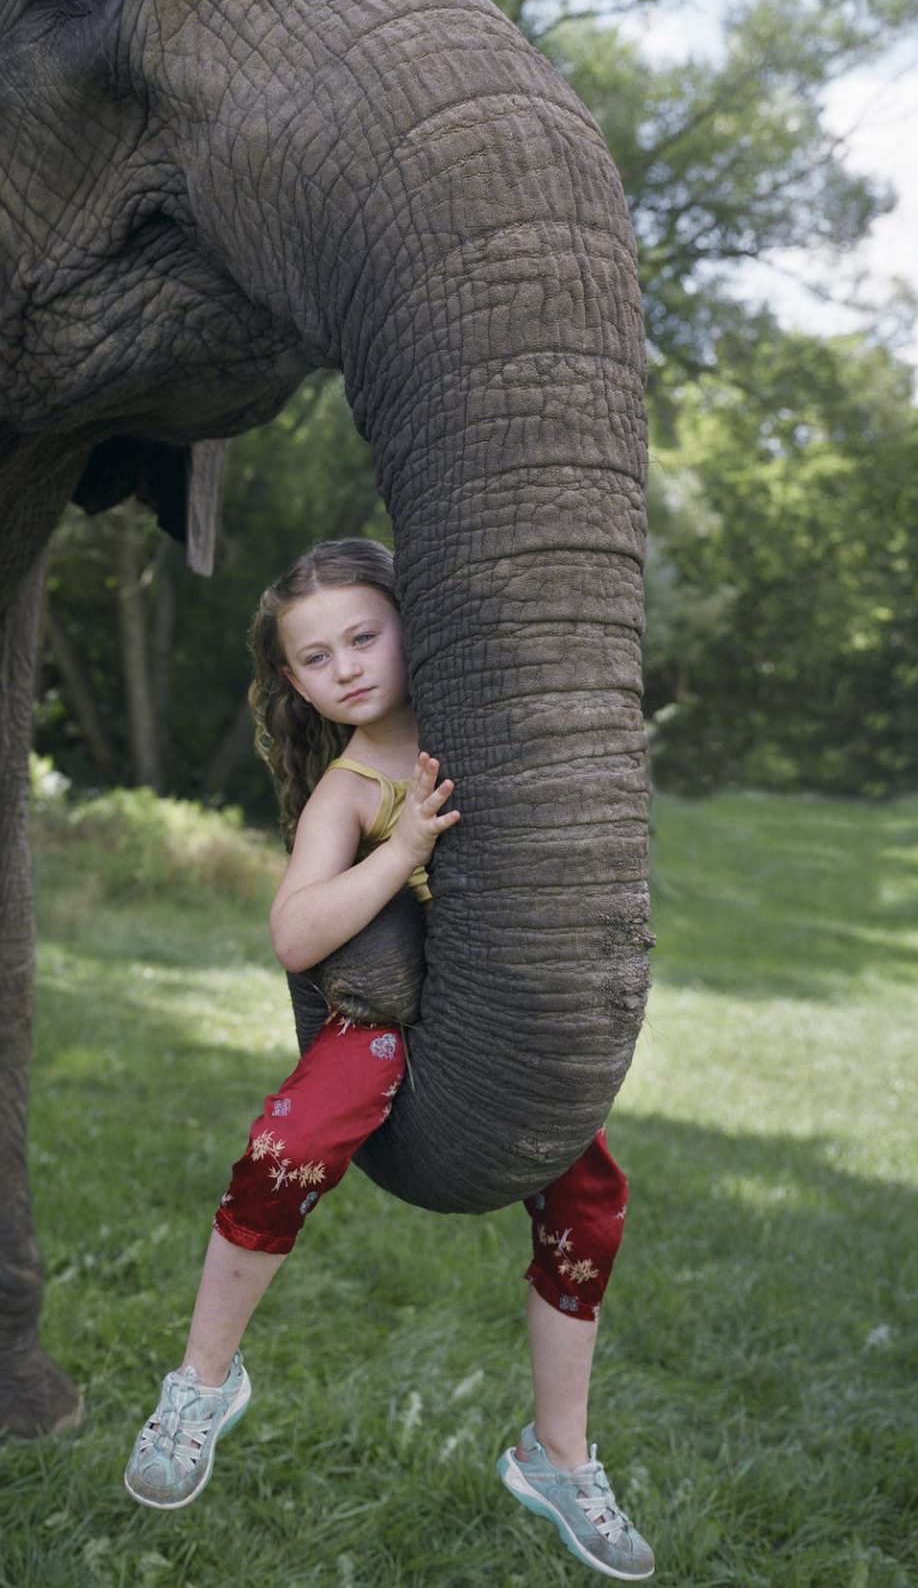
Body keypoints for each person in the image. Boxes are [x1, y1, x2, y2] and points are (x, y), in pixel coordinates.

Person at [122, 538, 654, 1581]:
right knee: (288, 1142)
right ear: (294, 683)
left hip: (497, 1038)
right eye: (316, 659)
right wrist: (399, 854)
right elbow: (293, 931)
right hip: (380, 1025)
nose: (348, 669)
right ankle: (201, 1382)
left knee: (591, 1197)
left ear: (415, 625)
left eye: (364, 636)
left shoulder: (487, 731)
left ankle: (558, 1454)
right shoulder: (352, 787)